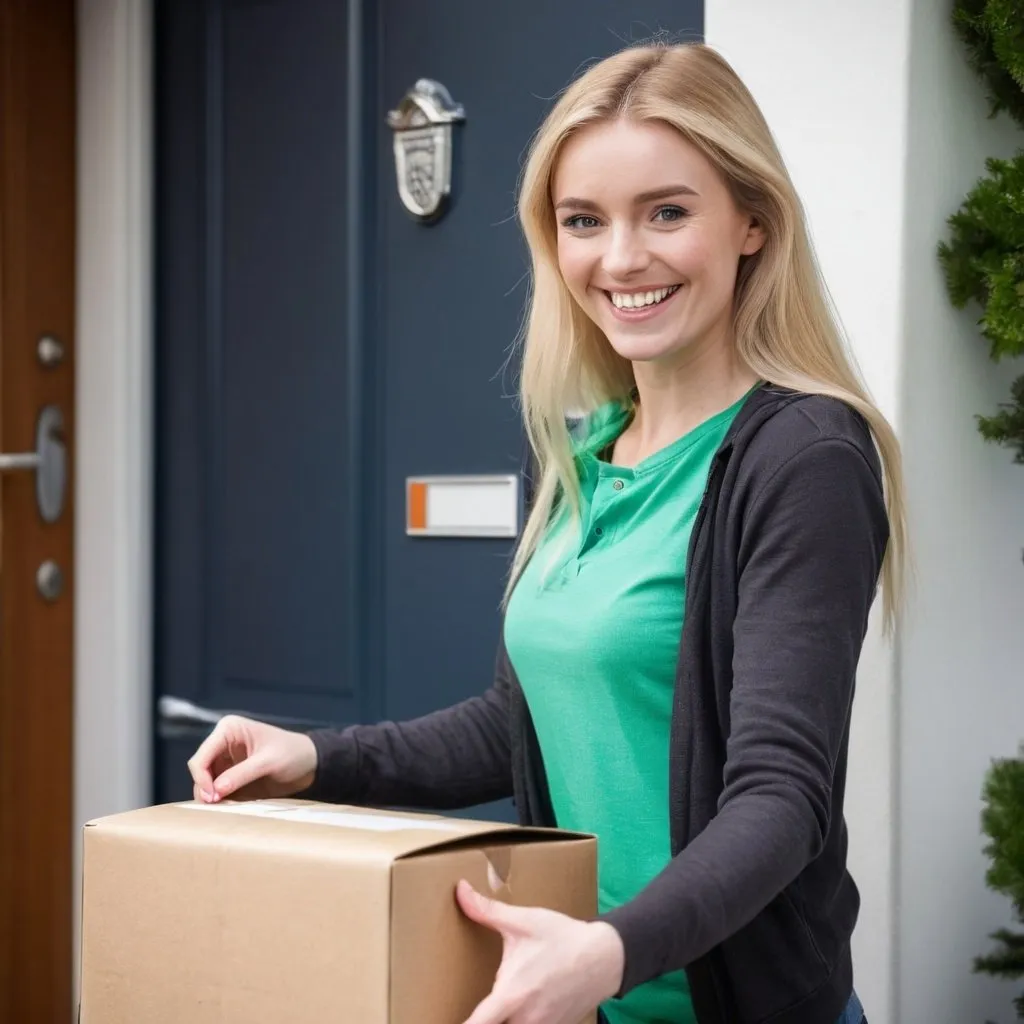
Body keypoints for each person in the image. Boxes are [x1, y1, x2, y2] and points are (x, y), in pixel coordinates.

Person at [188, 41, 904, 1024]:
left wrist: (604, 954)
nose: (619, 258)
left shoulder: (803, 458)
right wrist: (315, 757)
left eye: (666, 211)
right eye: (583, 221)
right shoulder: (581, 452)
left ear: (750, 221)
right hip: (583, 1001)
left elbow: (781, 797)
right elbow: (514, 722)